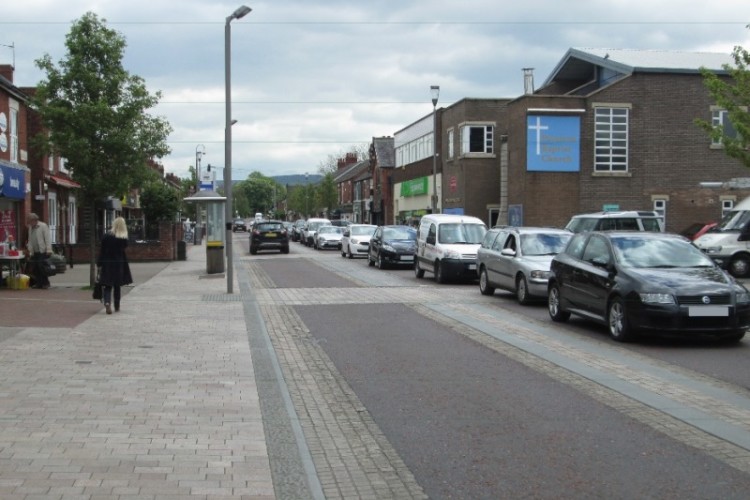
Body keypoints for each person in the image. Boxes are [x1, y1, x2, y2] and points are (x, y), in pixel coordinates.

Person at [97, 217, 133, 314]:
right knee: (117, 286)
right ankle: (117, 306)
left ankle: (107, 302)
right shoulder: (123, 238)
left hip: (107, 263)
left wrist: (99, 263)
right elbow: (124, 248)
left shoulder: (106, 236)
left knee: (107, 285)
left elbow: (102, 251)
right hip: (119, 263)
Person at [25, 213, 53, 289]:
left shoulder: (43, 226)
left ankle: (46, 283)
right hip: (34, 251)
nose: (29, 223)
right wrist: (29, 249)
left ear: (34, 220)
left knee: (41, 267)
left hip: (42, 250)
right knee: (35, 267)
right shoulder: (31, 228)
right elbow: (30, 239)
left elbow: (47, 238)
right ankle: (39, 283)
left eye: (29, 221)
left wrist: (49, 249)